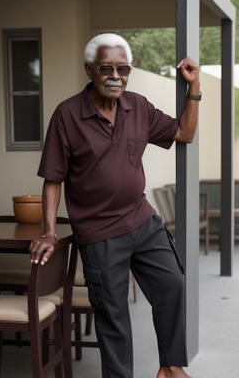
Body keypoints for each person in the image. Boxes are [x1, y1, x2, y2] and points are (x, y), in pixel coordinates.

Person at [29, 33, 200, 378]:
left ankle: (169, 367)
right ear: (89, 70)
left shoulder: (137, 106)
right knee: (113, 315)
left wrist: (192, 89)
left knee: (173, 284)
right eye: (106, 68)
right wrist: (49, 231)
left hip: (142, 220)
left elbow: (184, 133)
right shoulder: (67, 115)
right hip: (99, 232)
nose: (116, 76)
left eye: (123, 69)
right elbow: (52, 179)